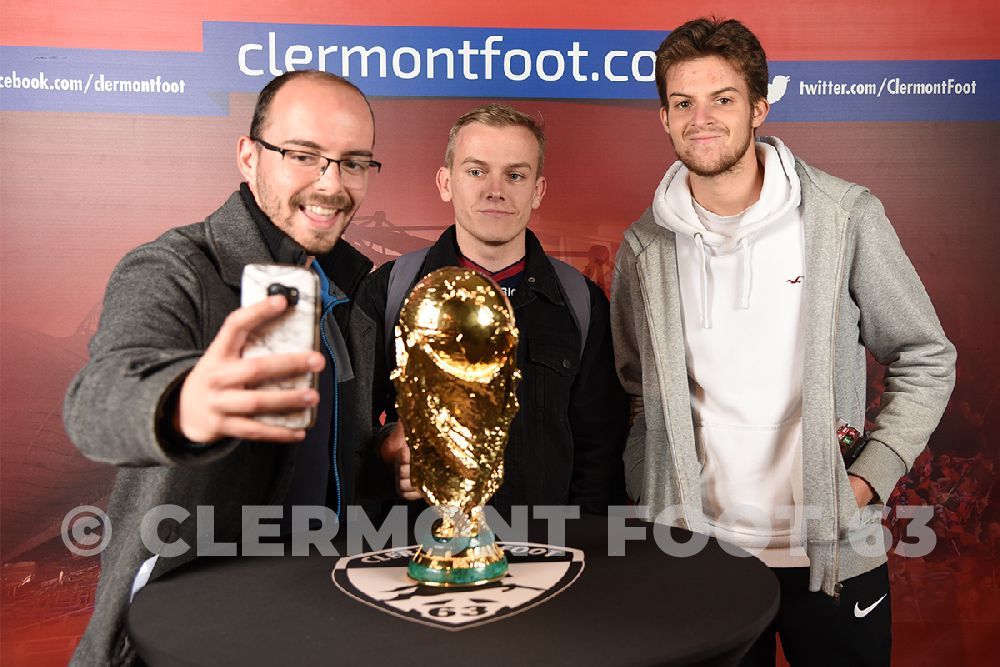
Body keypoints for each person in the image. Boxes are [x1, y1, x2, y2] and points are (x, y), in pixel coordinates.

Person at [610, 18, 956, 666]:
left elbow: (926, 355)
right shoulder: (644, 246)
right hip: (698, 559)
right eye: (683, 102)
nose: (701, 118)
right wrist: (649, 483)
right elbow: (637, 390)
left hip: (830, 557)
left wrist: (866, 480)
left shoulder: (843, 216)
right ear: (662, 116)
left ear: (760, 106)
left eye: (723, 99)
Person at [63, 70, 382, 666]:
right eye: (303, 155)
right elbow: (97, 399)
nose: (331, 184)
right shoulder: (175, 266)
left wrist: (382, 460)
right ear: (248, 156)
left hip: (317, 623)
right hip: (180, 637)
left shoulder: (348, 291)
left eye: (353, 162)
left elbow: (328, 465)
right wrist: (183, 404)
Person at [356, 103, 627, 518]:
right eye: (476, 171)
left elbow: (600, 449)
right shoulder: (391, 290)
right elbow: (347, 432)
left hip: (543, 555)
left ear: (537, 190)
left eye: (515, 175)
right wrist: (386, 453)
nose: (494, 189)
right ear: (446, 182)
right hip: (414, 554)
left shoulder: (580, 302)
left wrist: (582, 547)